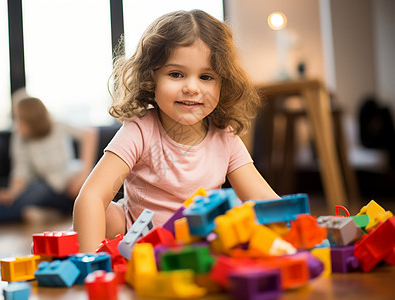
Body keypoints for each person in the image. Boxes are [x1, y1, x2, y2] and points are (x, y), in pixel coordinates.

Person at [73, 10, 279, 252]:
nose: (192, 87)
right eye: (176, 74)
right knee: (106, 214)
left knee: (244, 219)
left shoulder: (226, 137)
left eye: (206, 76)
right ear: (151, 77)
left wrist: (302, 234)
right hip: (137, 244)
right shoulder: (139, 129)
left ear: (223, 82)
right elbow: (91, 196)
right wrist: (91, 263)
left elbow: (264, 200)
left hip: (199, 245)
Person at [0, 96, 97, 225]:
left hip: (69, 183)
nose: (17, 125)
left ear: (33, 120)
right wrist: (11, 193)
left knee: (84, 189)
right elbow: (20, 171)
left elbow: (89, 134)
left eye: (20, 120)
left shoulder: (57, 125)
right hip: (47, 188)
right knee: (32, 193)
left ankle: (52, 213)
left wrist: (84, 174)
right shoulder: (19, 138)